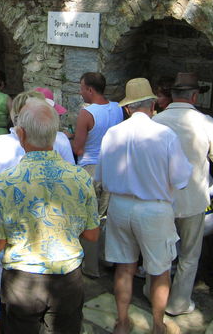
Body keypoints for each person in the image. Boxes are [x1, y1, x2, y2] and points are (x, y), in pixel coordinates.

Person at [0, 99, 100, 333]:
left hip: (22, 281)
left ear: (21, 134)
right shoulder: (79, 177)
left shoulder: (6, 181)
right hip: (67, 278)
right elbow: (92, 234)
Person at [0, 90, 75, 334]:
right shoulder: (57, 141)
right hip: (52, 239)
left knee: (2, 297)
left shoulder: (1, 146)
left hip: (9, 240)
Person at [96, 78, 192, 334]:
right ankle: (158, 324)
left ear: (128, 108)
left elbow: (102, 178)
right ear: (152, 106)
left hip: (120, 206)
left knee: (124, 267)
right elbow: (181, 179)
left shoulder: (113, 133)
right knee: (160, 271)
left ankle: (122, 321)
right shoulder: (165, 135)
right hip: (154, 208)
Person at [152, 72, 213, 316]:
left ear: (172, 95)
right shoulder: (205, 122)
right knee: (189, 255)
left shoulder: (157, 121)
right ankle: (178, 302)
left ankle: (151, 293)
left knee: (159, 251)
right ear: (194, 96)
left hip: (162, 197)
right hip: (193, 199)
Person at [68, 72, 124, 278]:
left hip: (90, 168)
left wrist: (70, 138)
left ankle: (90, 267)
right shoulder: (117, 108)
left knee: (88, 218)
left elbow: (79, 148)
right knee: (106, 216)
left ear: (90, 90)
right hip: (112, 167)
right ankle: (107, 258)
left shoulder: (87, 113)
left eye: (82, 88)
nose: (80, 92)